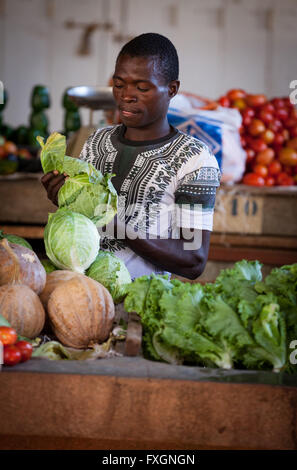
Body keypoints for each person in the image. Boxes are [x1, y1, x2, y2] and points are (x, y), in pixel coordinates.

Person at [41, 33, 220, 280]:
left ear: (172, 89)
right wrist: (64, 197)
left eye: (142, 87)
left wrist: (116, 225)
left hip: (141, 308)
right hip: (81, 298)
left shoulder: (195, 159)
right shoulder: (96, 142)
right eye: (119, 84)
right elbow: (83, 221)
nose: (126, 95)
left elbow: (193, 259)